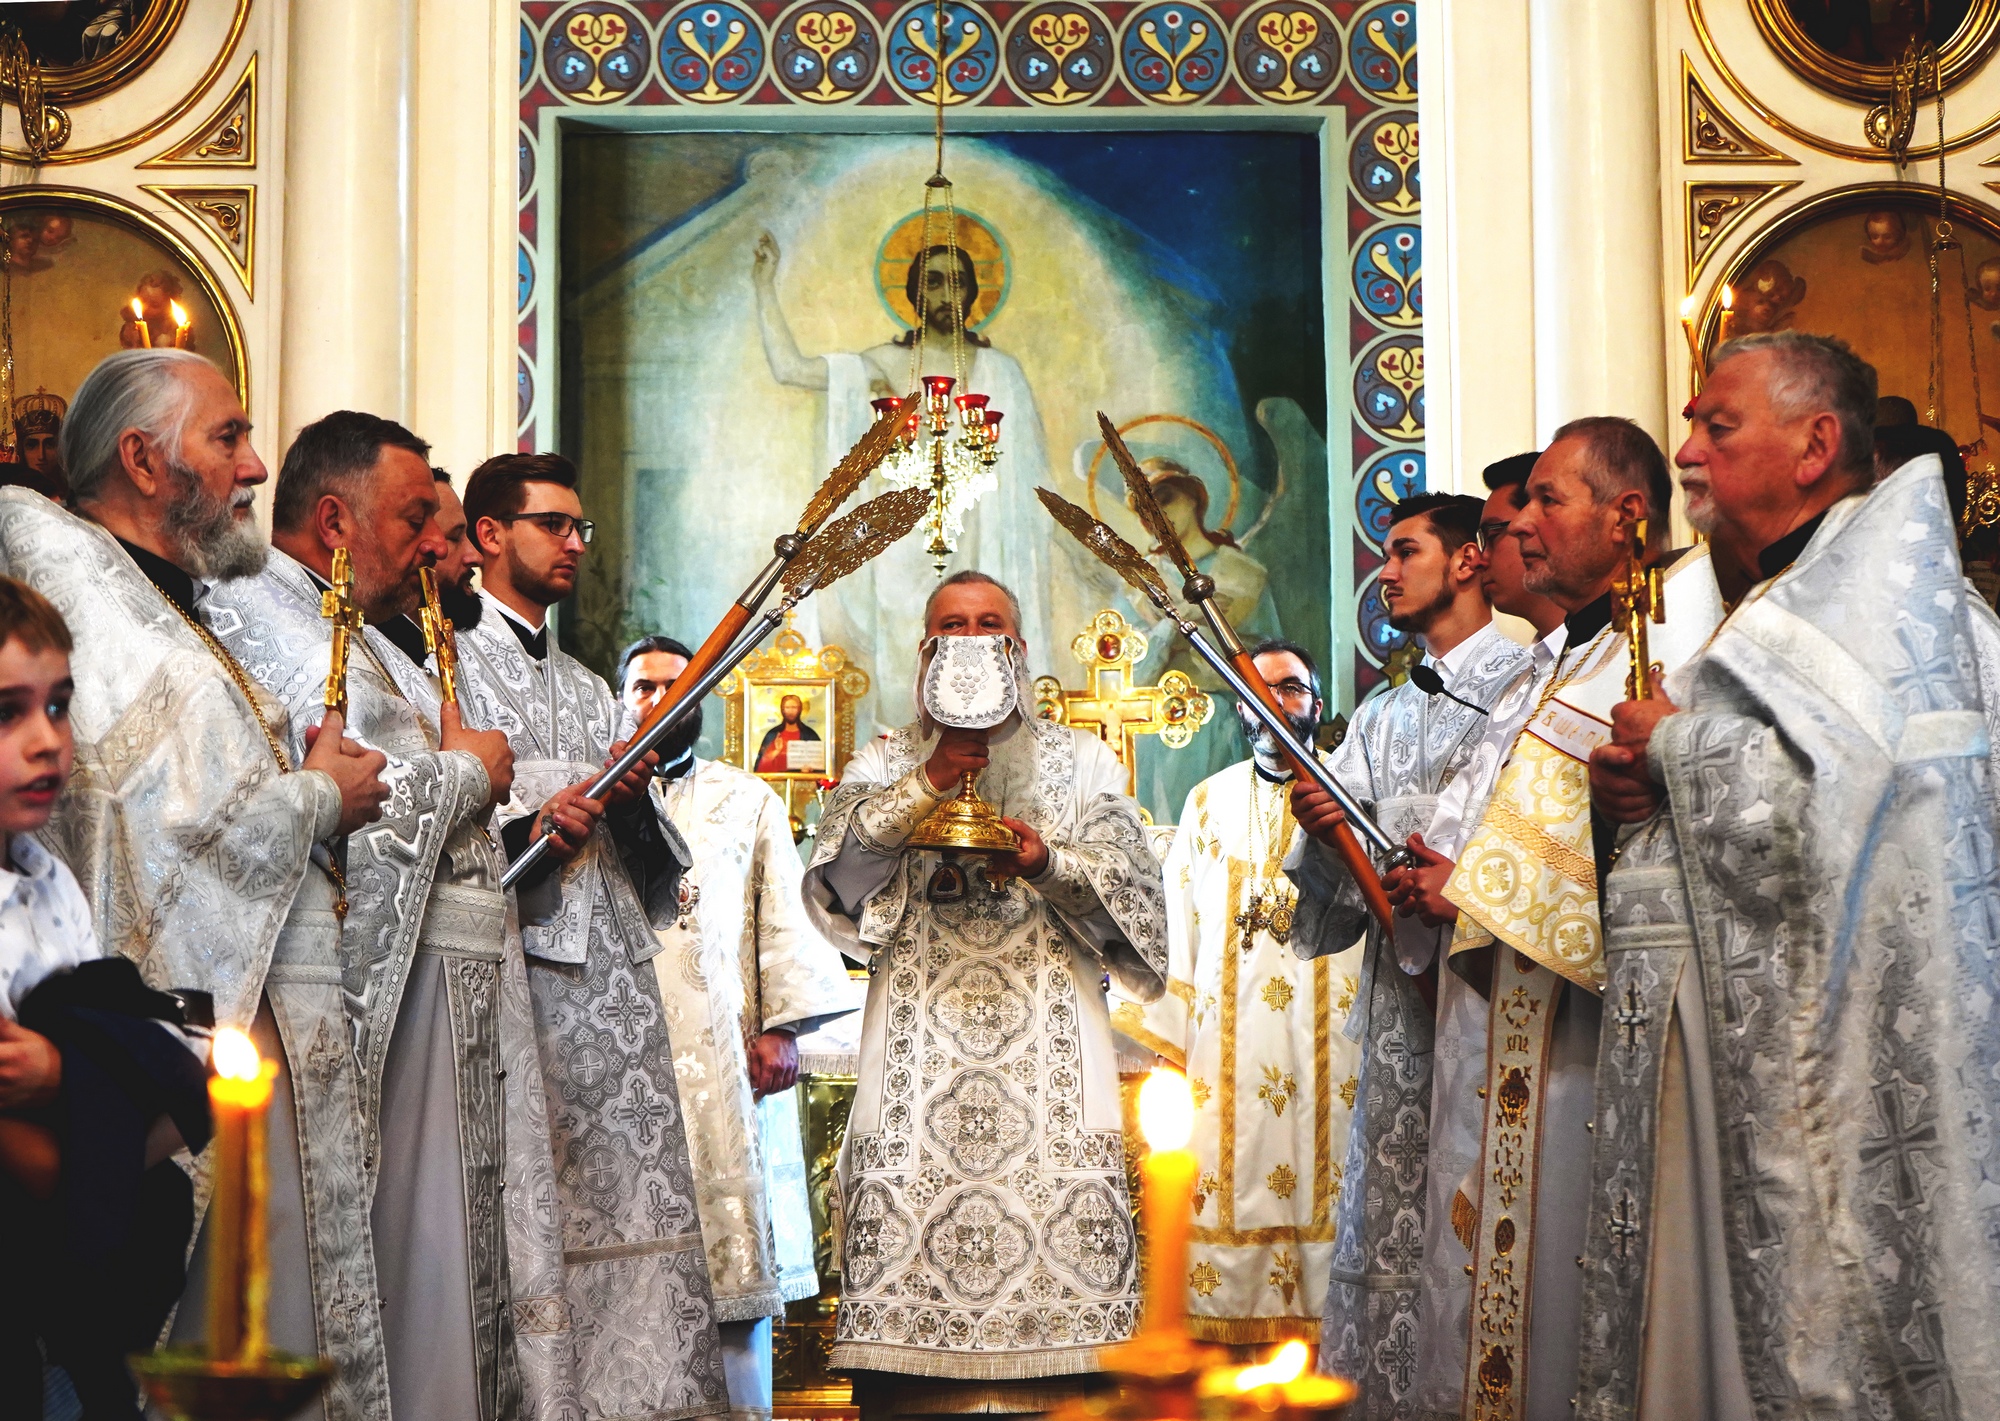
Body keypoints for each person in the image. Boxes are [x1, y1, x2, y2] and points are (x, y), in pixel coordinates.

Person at [1577, 331, 2000, 1418]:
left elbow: (1853, 821)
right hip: (1722, 1060)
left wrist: (1677, 749)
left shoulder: (1887, 616)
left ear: (1814, 443)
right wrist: (1640, 786)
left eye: (1714, 426)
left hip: (1822, 1082)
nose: (1683, 452)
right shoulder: (1792, 602)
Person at [0, 348, 391, 1420]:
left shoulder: (159, 602)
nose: (256, 464)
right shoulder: (94, 598)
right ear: (142, 456)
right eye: (229, 436)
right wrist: (316, 795)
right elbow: (165, 827)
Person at [1373, 422, 1717, 1421]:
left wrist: (1467, 888)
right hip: (1486, 1014)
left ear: (1625, 519)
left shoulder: (1658, 653)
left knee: (1558, 1279)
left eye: (1544, 501)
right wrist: (1438, 874)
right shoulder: (1551, 663)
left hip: (1575, 1038)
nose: (1518, 524)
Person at [203, 411, 524, 1421]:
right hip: (367, 1012)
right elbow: (341, 806)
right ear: (336, 520)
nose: (439, 541)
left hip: (431, 1007)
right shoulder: (265, 620)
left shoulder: (349, 629)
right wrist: (467, 773)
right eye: (414, 515)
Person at [801, 569, 1166, 1416]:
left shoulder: (1082, 762)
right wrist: (925, 783)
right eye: (951, 626)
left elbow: (1137, 897)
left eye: (989, 623)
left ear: (1020, 648)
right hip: (918, 1074)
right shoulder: (885, 758)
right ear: (926, 649)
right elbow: (840, 879)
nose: (971, 639)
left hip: (1050, 1078)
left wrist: (1046, 863)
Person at [454, 452, 731, 1421]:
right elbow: (435, 836)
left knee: (625, 1209)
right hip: (519, 986)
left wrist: (633, 800)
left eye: (582, 528)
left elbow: (653, 868)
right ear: (490, 534)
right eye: (553, 524)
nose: (574, 542)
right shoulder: (446, 666)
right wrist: (528, 832)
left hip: (614, 991)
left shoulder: (582, 683)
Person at [1277, 491, 1530, 1416]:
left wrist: (1387, 834)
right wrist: (1320, 825)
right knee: (1396, 1217)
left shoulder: (1524, 684)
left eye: (1404, 550)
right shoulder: (1384, 714)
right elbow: (1335, 904)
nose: (1385, 571)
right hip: (1398, 1009)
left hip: (1490, 990)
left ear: (1468, 560)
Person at [619, 635, 860, 1421]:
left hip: (726, 1065)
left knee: (734, 1276)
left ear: (702, 699)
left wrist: (784, 1029)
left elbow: (784, 920)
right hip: (623, 1066)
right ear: (622, 700)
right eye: (642, 688)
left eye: (672, 686)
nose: (656, 700)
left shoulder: (747, 797)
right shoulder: (600, 796)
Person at [0, 577, 211, 1421]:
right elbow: (46, 1171)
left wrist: (64, 1074)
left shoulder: (54, 888)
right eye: (7, 712)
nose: (48, 741)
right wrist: (122, 1091)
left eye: (59, 706)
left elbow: (181, 1097)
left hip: (68, 1314)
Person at [1118, 637, 1364, 1345]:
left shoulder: (1349, 797)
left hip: (1338, 1051)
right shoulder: (1208, 801)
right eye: (1259, 690)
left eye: (1291, 688)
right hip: (1230, 1054)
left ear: (1317, 702)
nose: (1275, 702)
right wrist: (1170, 1046)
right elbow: (1175, 931)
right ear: (1239, 707)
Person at [752, 231, 1053, 739]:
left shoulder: (1002, 372)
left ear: (972, 293)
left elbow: (1034, 480)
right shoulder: (885, 364)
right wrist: (764, 284)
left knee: (977, 638)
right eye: (932, 283)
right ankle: (906, 757)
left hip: (981, 532)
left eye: (956, 283)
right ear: (915, 293)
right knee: (904, 649)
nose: (944, 295)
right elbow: (791, 370)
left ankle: (983, 746)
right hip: (903, 548)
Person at [9, 390, 67, 500]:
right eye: (31, 445)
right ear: (21, 450)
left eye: (49, 445)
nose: (41, 456)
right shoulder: (11, 496)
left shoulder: (73, 496)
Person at [753, 692, 822, 774]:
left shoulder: (810, 735)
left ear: (799, 709)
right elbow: (760, 769)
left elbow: (821, 766)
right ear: (782, 710)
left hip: (803, 784)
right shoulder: (773, 735)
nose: (790, 711)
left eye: (794, 707)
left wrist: (810, 770)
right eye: (787, 707)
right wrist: (776, 751)